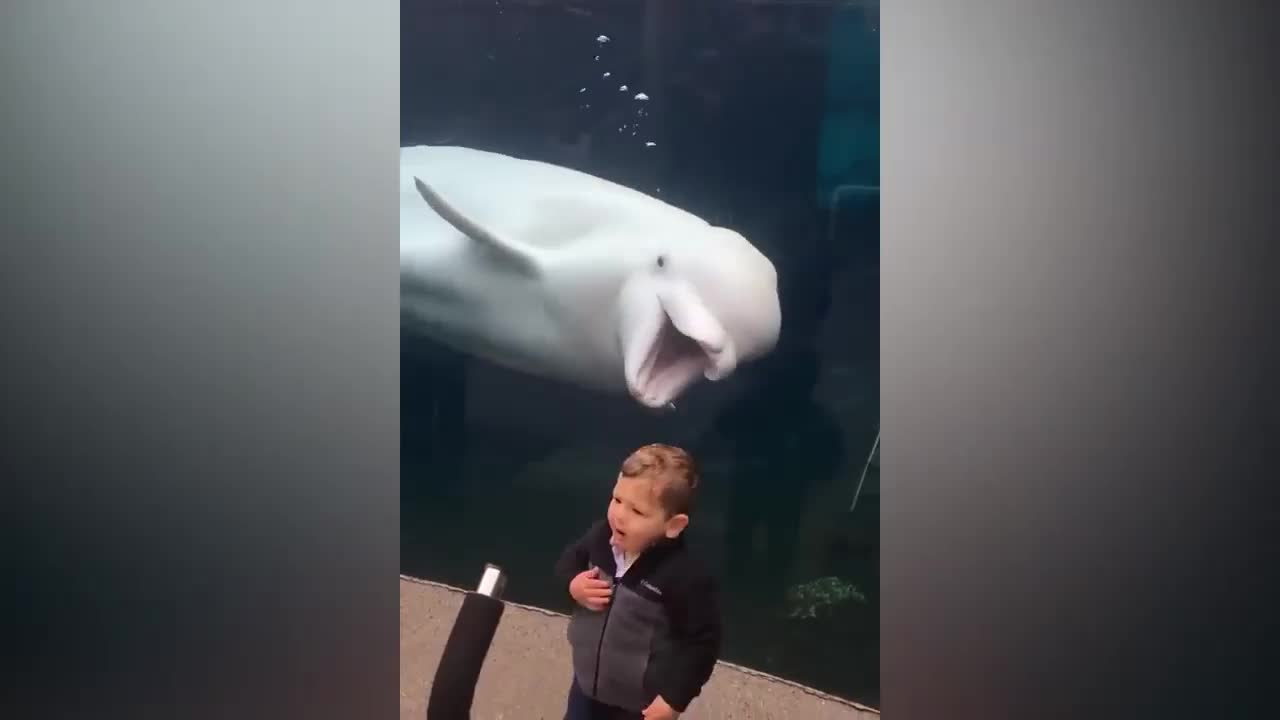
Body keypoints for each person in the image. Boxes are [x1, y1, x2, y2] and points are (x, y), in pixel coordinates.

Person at [554, 443, 723, 720]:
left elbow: (702, 643)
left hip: (638, 705)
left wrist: (673, 701)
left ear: (674, 526)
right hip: (585, 687)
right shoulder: (600, 537)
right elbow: (567, 561)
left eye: (638, 511)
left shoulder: (685, 576)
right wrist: (573, 583)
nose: (619, 514)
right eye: (617, 499)